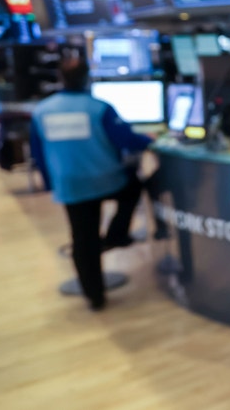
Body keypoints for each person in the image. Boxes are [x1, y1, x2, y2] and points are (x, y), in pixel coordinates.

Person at [30, 52, 153, 311]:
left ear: (60, 78)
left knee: (82, 238)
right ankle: (117, 235)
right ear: (87, 78)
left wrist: (50, 183)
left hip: (70, 184)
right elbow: (126, 140)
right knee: (134, 188)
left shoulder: (41, 111)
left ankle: (94, 296)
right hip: (105, 180)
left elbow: (38, 153)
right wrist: (150, 140)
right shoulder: (99, 108)